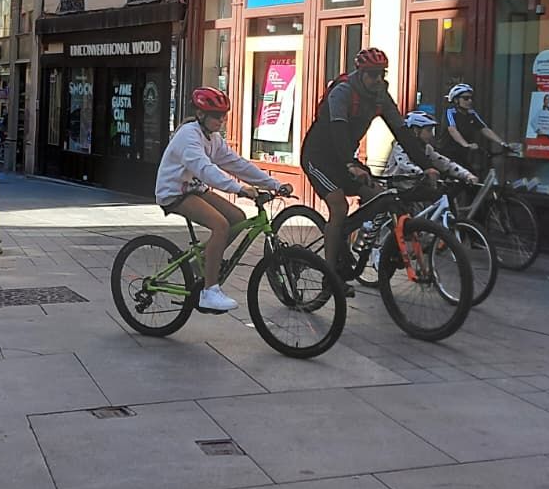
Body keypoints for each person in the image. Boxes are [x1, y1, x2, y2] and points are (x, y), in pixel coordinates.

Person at [300, 49, 440, 285]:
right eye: (373, 74)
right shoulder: (343, 92)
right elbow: (338, 130)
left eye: (382, 74)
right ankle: (330, 274)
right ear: (361, 73)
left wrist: (426, 166)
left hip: (345, 157)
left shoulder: (380, 96)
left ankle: (357, 243)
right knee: (339, 206)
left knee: (379, 196)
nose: (378, 79)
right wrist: (350, 164)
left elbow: (402, 132)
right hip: (319, 157)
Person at [155, 87, 291, 313]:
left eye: (224, 115)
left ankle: (203, 262)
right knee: (220, 225)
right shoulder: (188, 136)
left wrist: (273, 184)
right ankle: (209, 292)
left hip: (195, 189)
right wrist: (238, 189)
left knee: (237, 218)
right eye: (217, 116)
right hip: (174, 193)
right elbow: (204, 169)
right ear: (201, 115)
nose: (221, 120)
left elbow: (237, 164)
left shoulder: (213, 138)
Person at [384, 111, 479, 185]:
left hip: (415, 189)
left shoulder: (427, 148)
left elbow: (444, 163)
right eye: (429, 130)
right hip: (396, 189)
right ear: (416, 130)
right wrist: (425, 173)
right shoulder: (401, 145)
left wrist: (467, 175)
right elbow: (405, 164)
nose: (431, 135)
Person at [439, 83, 507, 172]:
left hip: (462, 154)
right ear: (456, 100)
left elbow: (484, 129)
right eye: (466, 98)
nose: (470, 101)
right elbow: (452, 130)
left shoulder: (471, 113)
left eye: (471, 98)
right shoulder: (450, 112)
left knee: (471, 175)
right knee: (467, 176)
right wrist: (466, 145)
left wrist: (502, 143)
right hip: (448, 154)